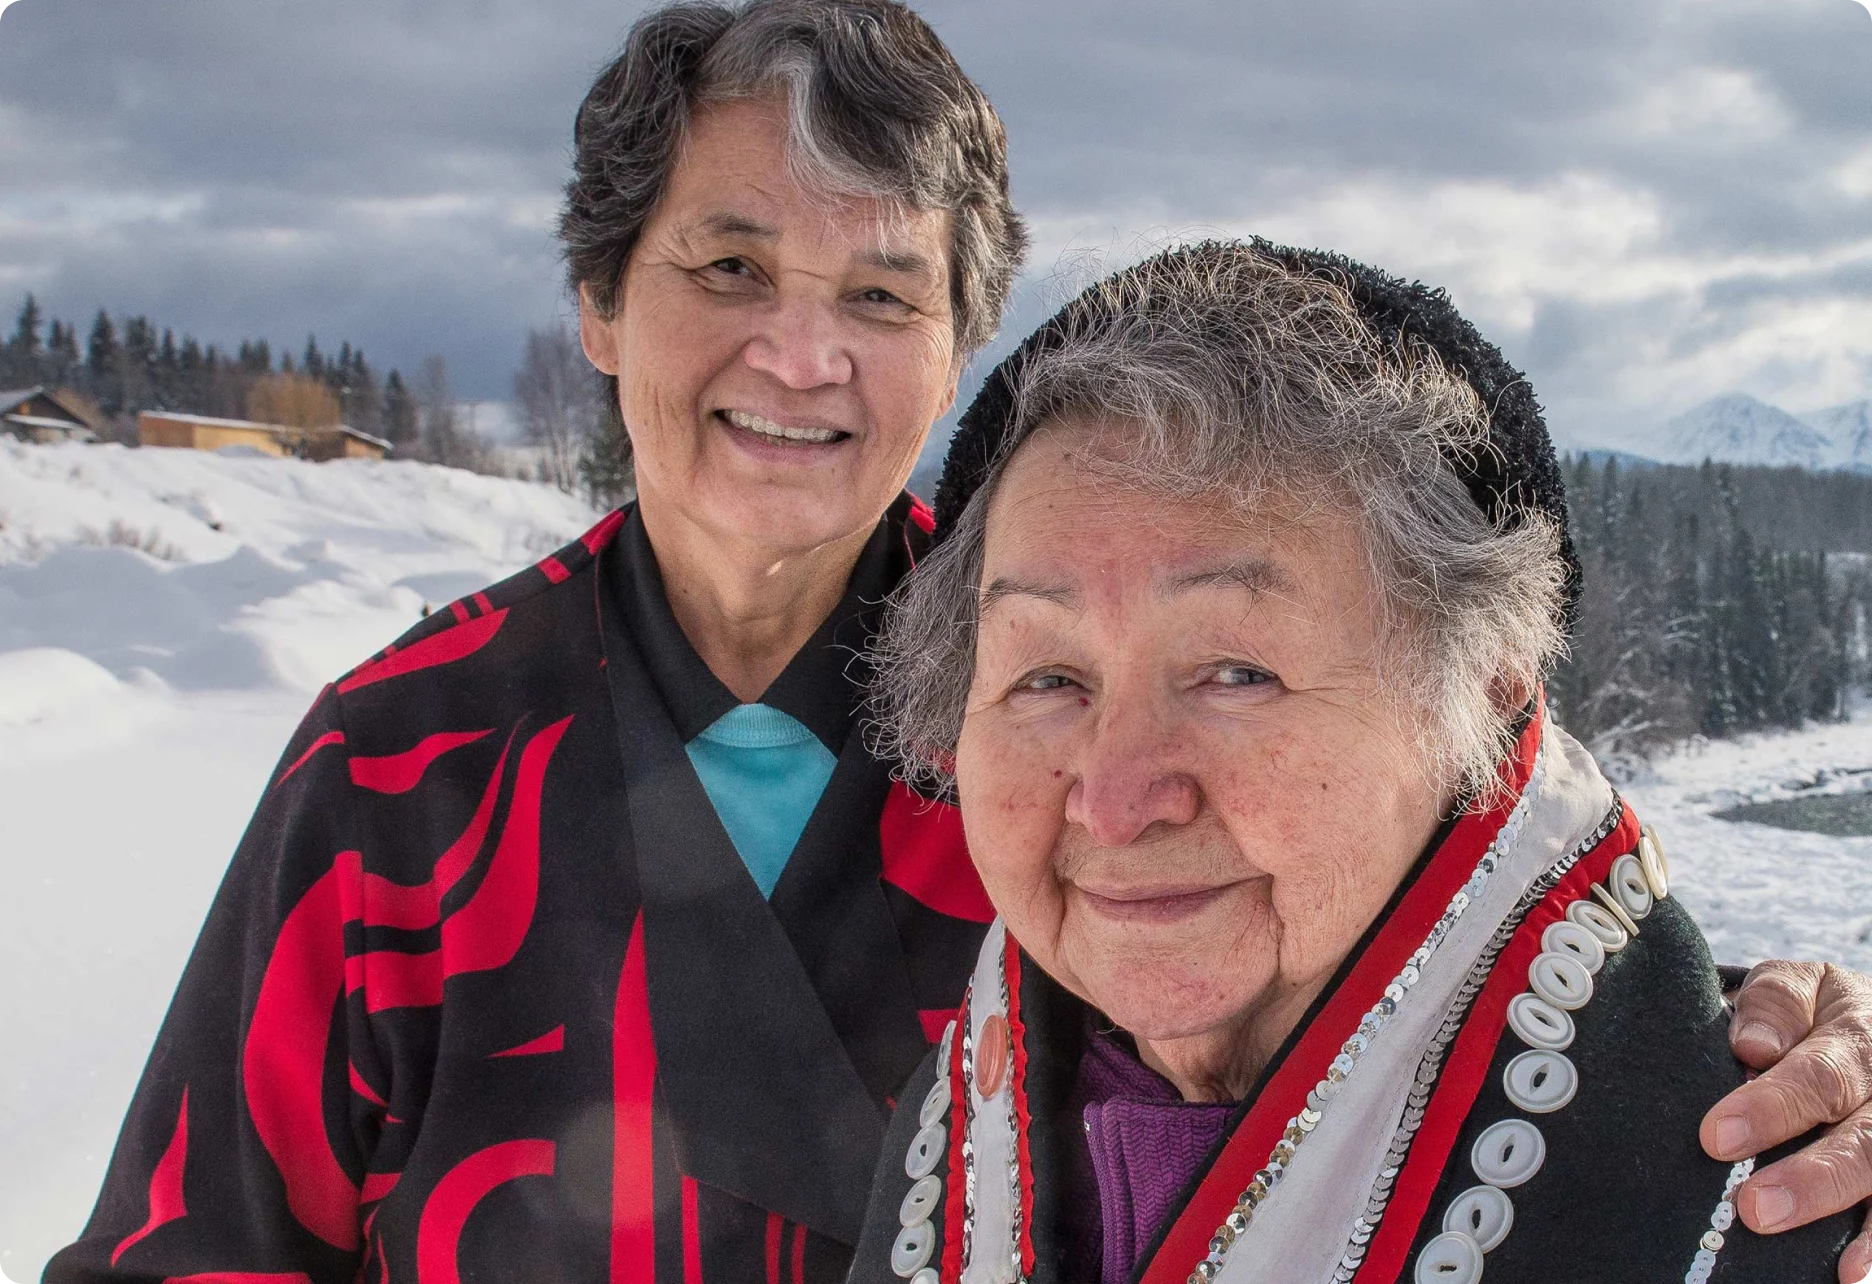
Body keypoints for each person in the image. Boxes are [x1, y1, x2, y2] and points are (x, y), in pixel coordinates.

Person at [40, 5, 1872, 1282]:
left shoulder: (1062, 726)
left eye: (880, 292)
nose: (801, 355)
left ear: (959, 343)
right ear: (599, 308)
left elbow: (1483, 932)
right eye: (729, 267)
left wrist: (1738, 1051)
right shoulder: (402, 770)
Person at [851, 240, 1871, 1284]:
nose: (1115, 803)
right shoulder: (947, 1148)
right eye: (1047, 679)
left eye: (1236, 672)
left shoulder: (1773, 1210)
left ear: (1486, 694)